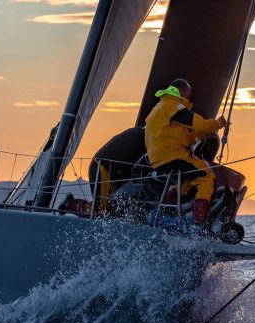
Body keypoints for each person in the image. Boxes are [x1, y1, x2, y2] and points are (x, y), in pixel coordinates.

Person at [143, 79, 227, 226]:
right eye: (188, 95)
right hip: (173, 157)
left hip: (157, 159)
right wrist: (218, 123)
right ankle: (199, 226)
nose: (188, 99)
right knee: (206, 177)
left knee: (187, 182)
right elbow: (200, 123)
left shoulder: (159, 107)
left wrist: (201, 136)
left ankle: (163, 213)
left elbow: (183, 139)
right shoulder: (173, 106)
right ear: (182, 93)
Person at [88, 125, 146, 216]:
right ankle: (73, 205)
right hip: (103, 168)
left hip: (114, 169)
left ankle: (75, 205)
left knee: (110, 208)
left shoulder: (146, 131)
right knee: (103, 211)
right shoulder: (151, 135)